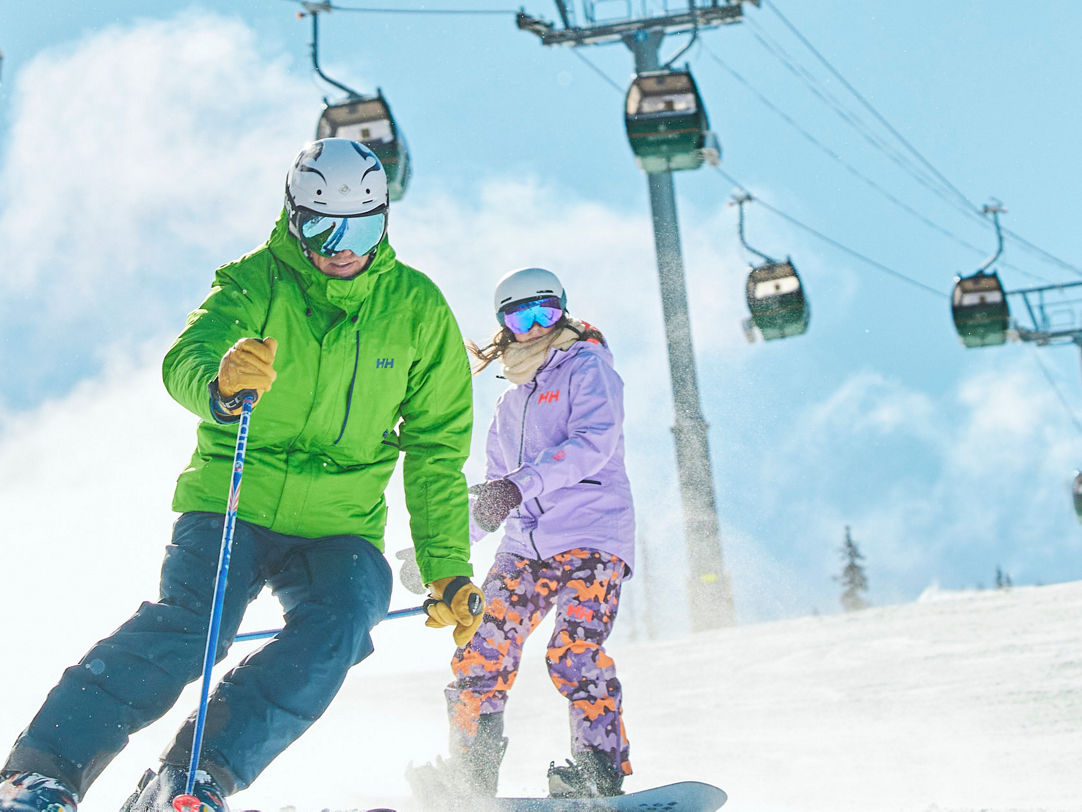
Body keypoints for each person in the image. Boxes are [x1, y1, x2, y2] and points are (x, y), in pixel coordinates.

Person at [0, 138, 484, 812]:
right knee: (196, 625)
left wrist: (446, 566)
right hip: (233, 499)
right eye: (323, 227)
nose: (343, 247)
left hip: (337, 525)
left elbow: (437, 447)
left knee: (345, 619)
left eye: (364, 227)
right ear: (294, 218)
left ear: (385, 221)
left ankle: (195, 776)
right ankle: (42, 772)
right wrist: (222, 386)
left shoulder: (418, 311)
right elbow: (187, 358)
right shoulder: (254, 282)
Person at [409, 267, 635, 805]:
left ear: (563, 311)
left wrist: (520, 485)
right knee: (481, 651)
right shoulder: (509, 402)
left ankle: (598, 770)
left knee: (574, 650)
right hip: (524, 547)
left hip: (590, 533)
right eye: (519, 317)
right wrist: (435, 555)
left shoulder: (588, 368)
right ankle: (471, 774)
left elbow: (593, 443)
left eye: (545, 313)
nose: (534, 327)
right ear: (504, 326)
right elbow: (492, 497)